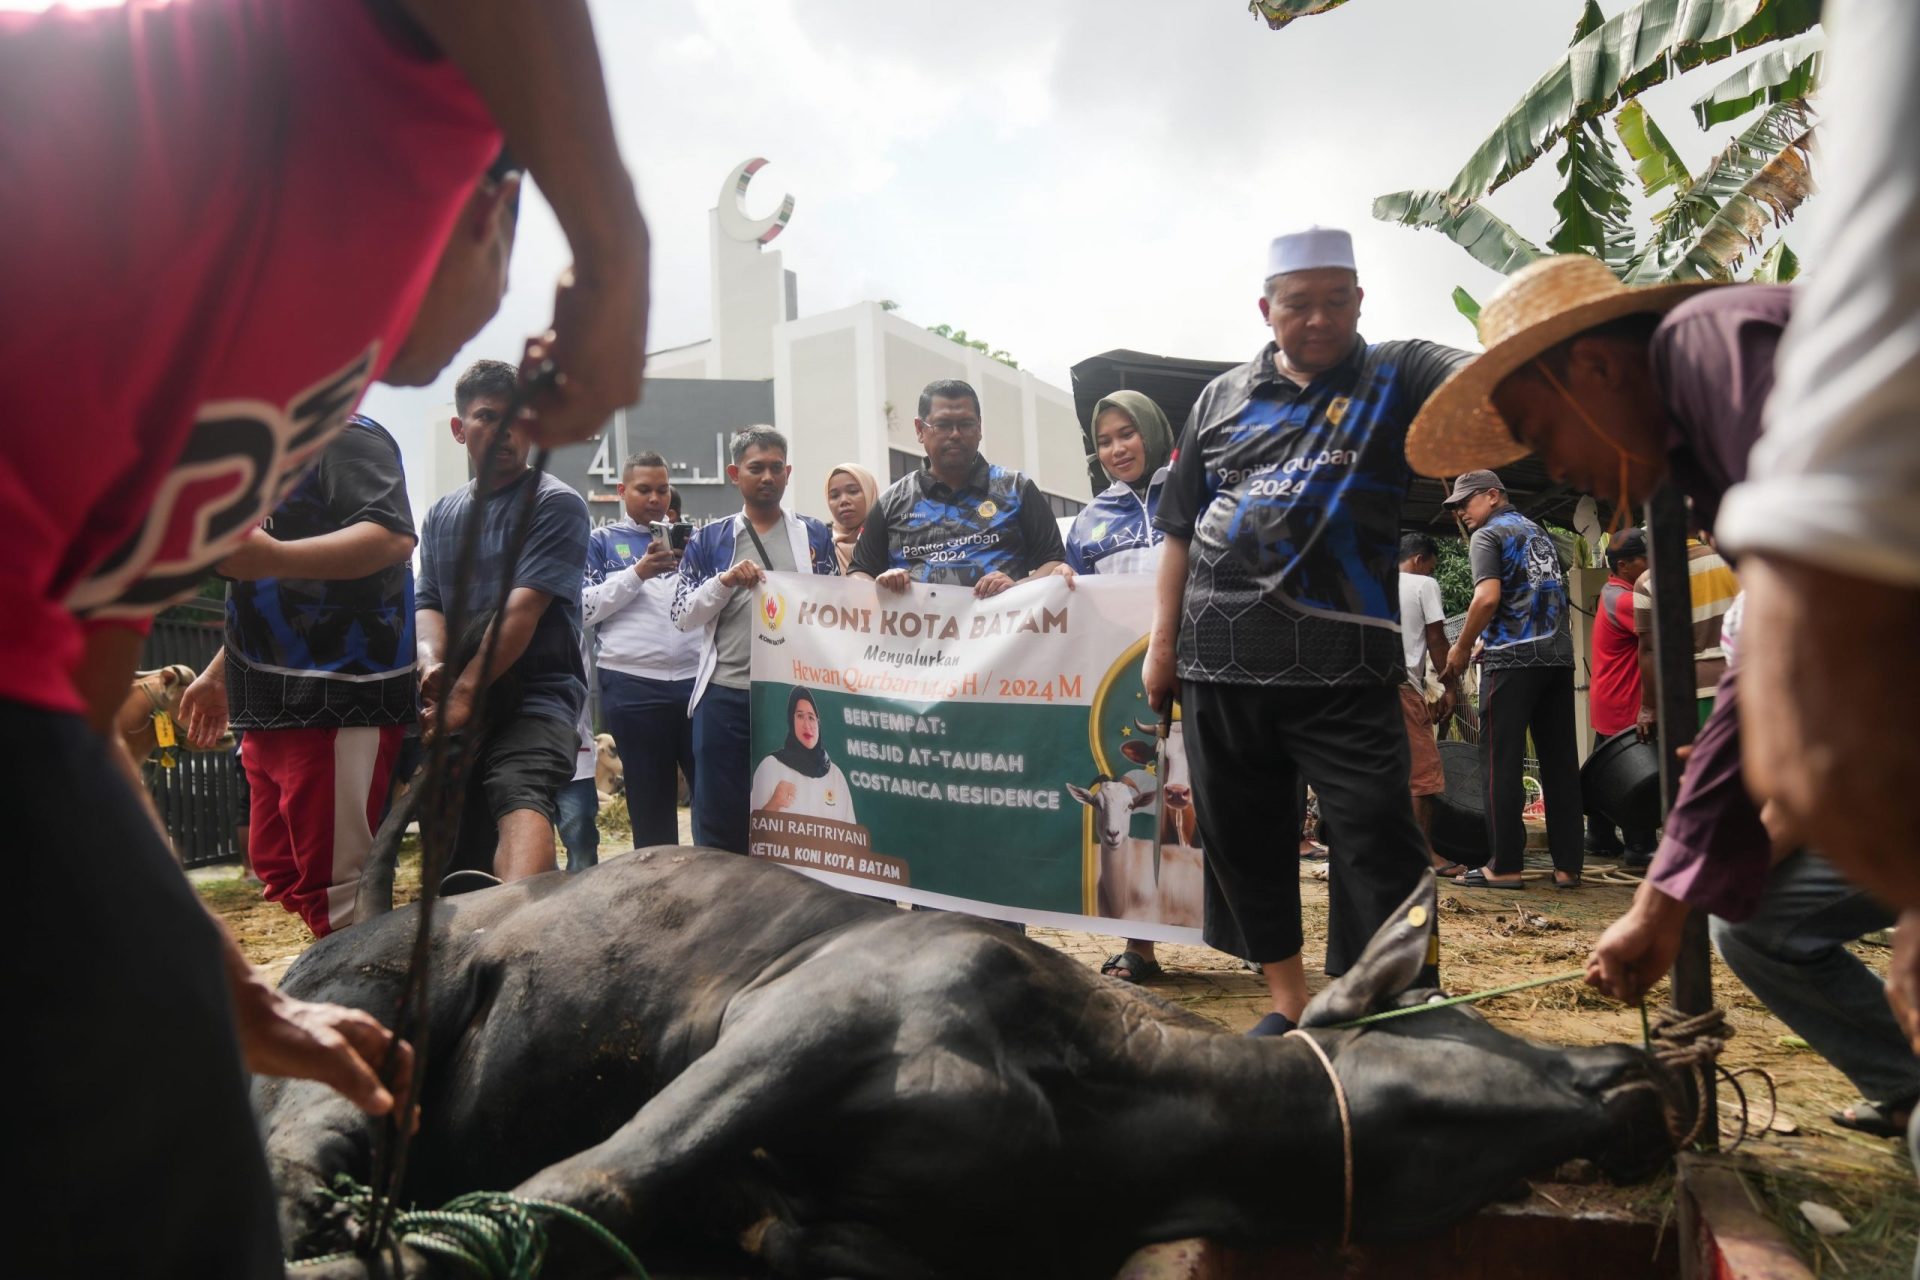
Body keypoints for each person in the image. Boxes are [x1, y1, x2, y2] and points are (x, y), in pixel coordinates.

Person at [3, 0, 648, 1270]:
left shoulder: (308, 408)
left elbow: (70, 692)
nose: (470, 369)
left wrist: (229, 985)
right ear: (496, 213)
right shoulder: (370, 132)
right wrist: (616, 249)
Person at [1143, 226, 1467, 1034]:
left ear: (1360, 301)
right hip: (1219, 657)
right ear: (1267, 309)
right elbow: (1179, 528)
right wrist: (1161, 645)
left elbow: (1475, 379)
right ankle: (1288, 1004)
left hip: (1346, 665)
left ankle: (1387, 999)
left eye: (1335, 301)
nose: (1318, 319)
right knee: (1244, 837)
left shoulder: (1394, 373)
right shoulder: (1219, 398)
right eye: (1298, 304)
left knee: (1379, 832)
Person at [176, 414, 417, 937]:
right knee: (281, 870)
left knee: (338, 889)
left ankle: (367, 981)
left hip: (337, 688)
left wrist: (274, 557)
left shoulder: (343, 432)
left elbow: (392, 535)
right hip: (268, 694)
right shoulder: (263, 447)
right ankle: (345, 968)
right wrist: (220, 672)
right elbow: (256, 579)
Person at [416, 360, 592, 882]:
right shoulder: (440, 515)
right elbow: (428, 603)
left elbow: (523, 608)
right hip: (458, 702)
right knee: (451, 827)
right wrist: (433, 666)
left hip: (538, 696)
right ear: (459, 429)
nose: (506, 431)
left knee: (518, 785)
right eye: (489, 416)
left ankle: (522, 922)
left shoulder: (556, 504)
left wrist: (465, 693)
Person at [672, 427, 838, 854]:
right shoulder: (710, 540)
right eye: (756, 468)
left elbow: (837, 608)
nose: (767, 476)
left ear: (788, 473)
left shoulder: (814, 536)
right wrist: (724, 582)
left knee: (792, 812)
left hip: (788, 697)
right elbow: (681, 615)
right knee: (719, 817)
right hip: (724, 695)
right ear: (734, 474)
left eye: (776, 468)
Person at [1063, 390, 1177, 984]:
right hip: (1130, 685)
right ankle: (1140, 945)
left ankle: (1248, 935)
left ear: (1152, 431)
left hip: (1206, 669)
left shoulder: (1193, 489)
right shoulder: (1090, 519)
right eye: (1104, 441)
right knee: (1144, 805)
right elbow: (1078, 600)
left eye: (1127, 433)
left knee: (1215, 804)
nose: (1116, 449)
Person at [1440, 471, 1583, 890]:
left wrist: (1461, 647)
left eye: (1466, 502)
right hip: (1557, 658)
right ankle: (1568, 866)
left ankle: (1503, 866)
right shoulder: (1538, 533)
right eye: (1456, 507)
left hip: (1512, 661)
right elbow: (1533, 596)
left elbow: (1487, 597)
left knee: (1500, 763)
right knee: (1560, 763)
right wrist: (1488, 634)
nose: (1461, 512)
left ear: (1493, 495)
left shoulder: (1488, 535)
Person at [849, 379, 1068, 596]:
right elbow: (857, 574)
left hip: (1006, 620)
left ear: (979, 427)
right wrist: (881, 585)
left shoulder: (1017, 489)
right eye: (943, 425)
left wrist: (1018, 587)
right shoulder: (891, 503)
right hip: (919, 621)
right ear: (919, 429)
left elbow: (1056, 563)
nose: (955, 434)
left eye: (966, 424)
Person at [584, 451, 701, 847]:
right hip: (632, 684)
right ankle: (658, 882)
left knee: (713, 796)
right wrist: (637, 574)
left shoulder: (695, 542)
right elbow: (582, 608)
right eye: (644, 489)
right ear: (622, 490)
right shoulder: (600, 542)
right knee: (650, 804)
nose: (655, 498)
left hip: (696, 682)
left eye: (662, 490)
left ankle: (717, 878)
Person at [1585, 527, 1657, 865]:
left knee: (1608, 769)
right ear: (1624, 565)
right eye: (1645, 558)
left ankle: (1599, 835)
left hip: (1609, 697)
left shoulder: (1612, 592)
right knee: (1636, 773)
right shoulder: (1628, 600)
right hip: (1626, 699)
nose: (1651, 562)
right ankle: (1640, 845)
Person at [1396, 532, 1463, 877]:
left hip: (1359, 690)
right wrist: (1451, 687)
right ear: (1419, 559)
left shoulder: (1370, 582)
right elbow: (1437, 639)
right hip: (1400, 686)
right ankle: (1422, 855)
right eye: (1432, 566)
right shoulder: (1423, 584)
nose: (1431, 572)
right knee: (1423, 774)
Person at [1631, 533, 1738, 736]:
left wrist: (1649, 706)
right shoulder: (1731, 563)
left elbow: (1649, 651)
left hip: (1686, 694)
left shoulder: (1647, 581)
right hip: (1739, 684)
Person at [750, 687, 858, 824]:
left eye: (811, 718)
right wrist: (774, 803)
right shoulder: (771, 766)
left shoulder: (836, 776)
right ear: (791, 720)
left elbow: (849, 833)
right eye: (800, 716)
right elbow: (752, 829)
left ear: (818, 724)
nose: (807, 725)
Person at [555, 626, 601, 871]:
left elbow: (579, 690)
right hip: (521, 758)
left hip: (573, 753)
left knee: (581, 835)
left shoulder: (570, 630)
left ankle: (584, 889)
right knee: (531, 844)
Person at [824, 462, 879, 574]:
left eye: (853, 491)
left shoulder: (892, 539)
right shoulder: (822, 543)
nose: (844, 500)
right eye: (834, 496)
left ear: (870, 493)